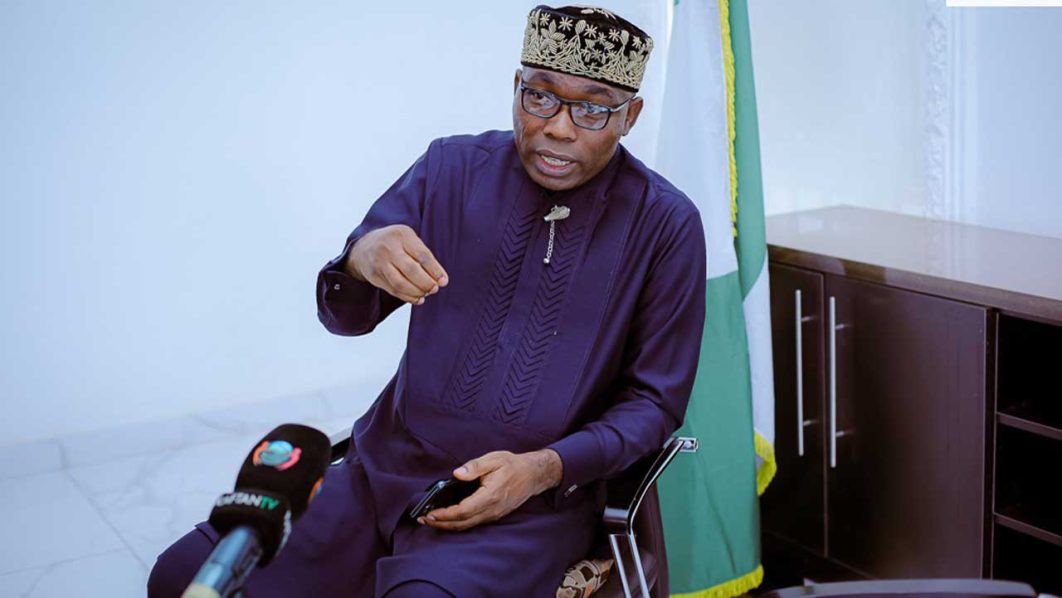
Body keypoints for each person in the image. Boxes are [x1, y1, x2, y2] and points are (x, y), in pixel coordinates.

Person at [149, 5, 706, 597]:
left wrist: (544, 468)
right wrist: (358, 260)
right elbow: (344, 317)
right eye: (540, 96)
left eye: (592, 109)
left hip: (527, 509)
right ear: (516, 88)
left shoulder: (665, 225)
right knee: (181, 575)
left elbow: (653, 403)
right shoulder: (451, 170)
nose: (559, 128)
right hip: (378, 475)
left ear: (629, 117)